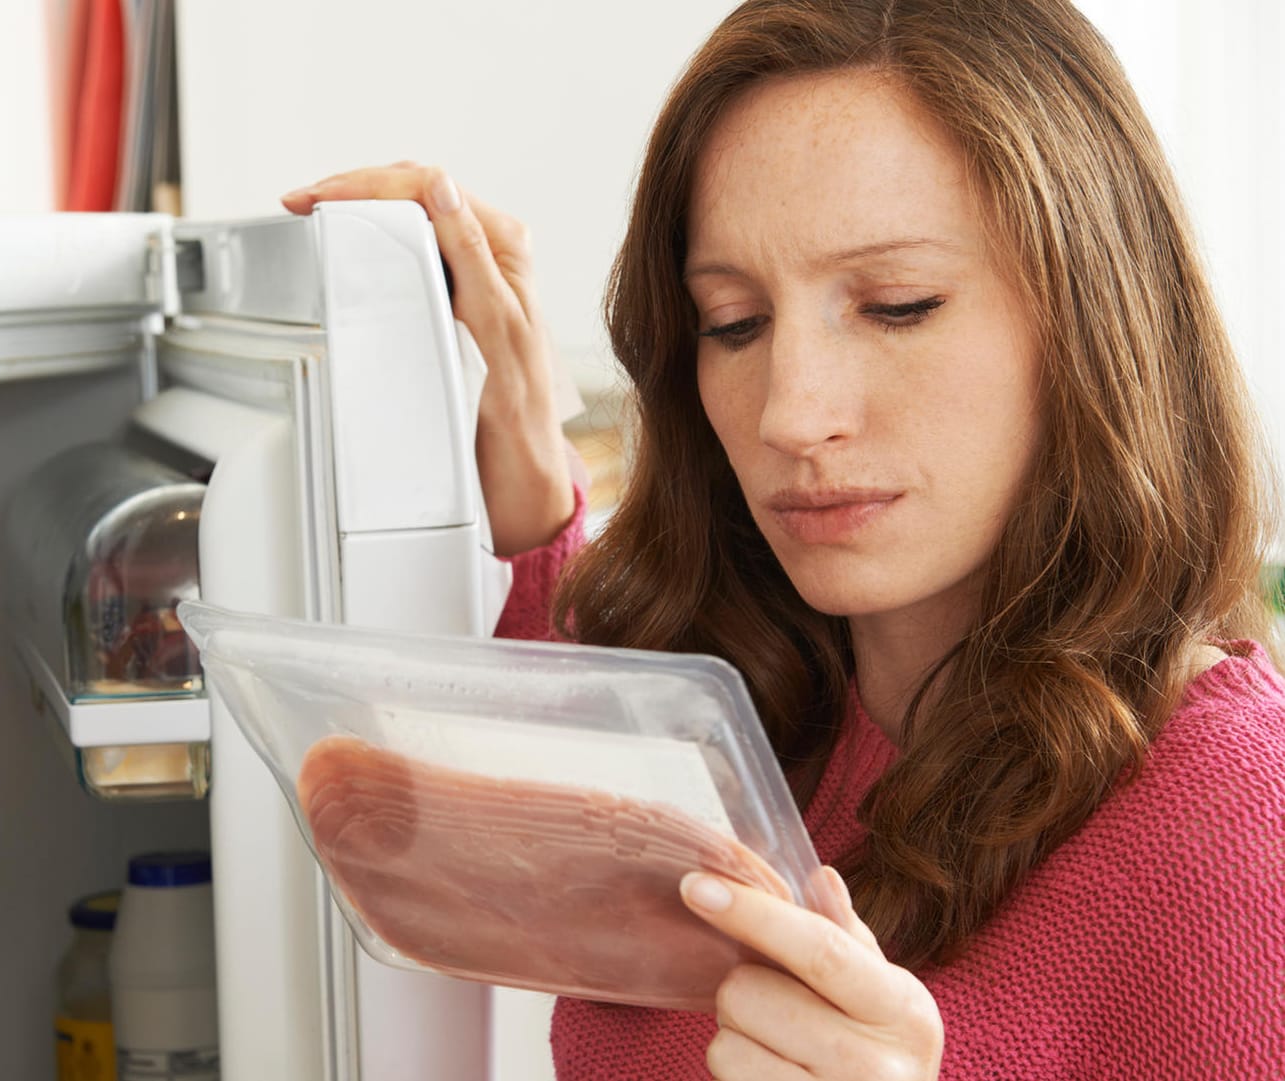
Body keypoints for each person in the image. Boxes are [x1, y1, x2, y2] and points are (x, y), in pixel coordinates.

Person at [281, 0, 1285, 1077]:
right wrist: (518, 425)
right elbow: (539, 756)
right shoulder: (738, 709)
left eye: (897, 305)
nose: (788, 415)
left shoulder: (1234, 818)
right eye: (734, 323)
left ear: (1097, 320)